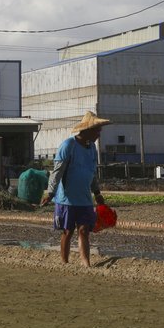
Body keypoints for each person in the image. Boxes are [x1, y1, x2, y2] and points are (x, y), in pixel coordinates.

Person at [40, 111, 111, 266]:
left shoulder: (92, 148)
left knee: (84, 230)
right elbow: (57, 172)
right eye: (97, 130)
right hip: (67, 199)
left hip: (84, 198)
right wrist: (50, 192)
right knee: (68, 231)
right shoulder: (68, 146)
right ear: (87, 130)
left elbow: (92, 172)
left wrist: (97, 192)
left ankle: (85, 263)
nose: (99, 134)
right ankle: (65, 262)